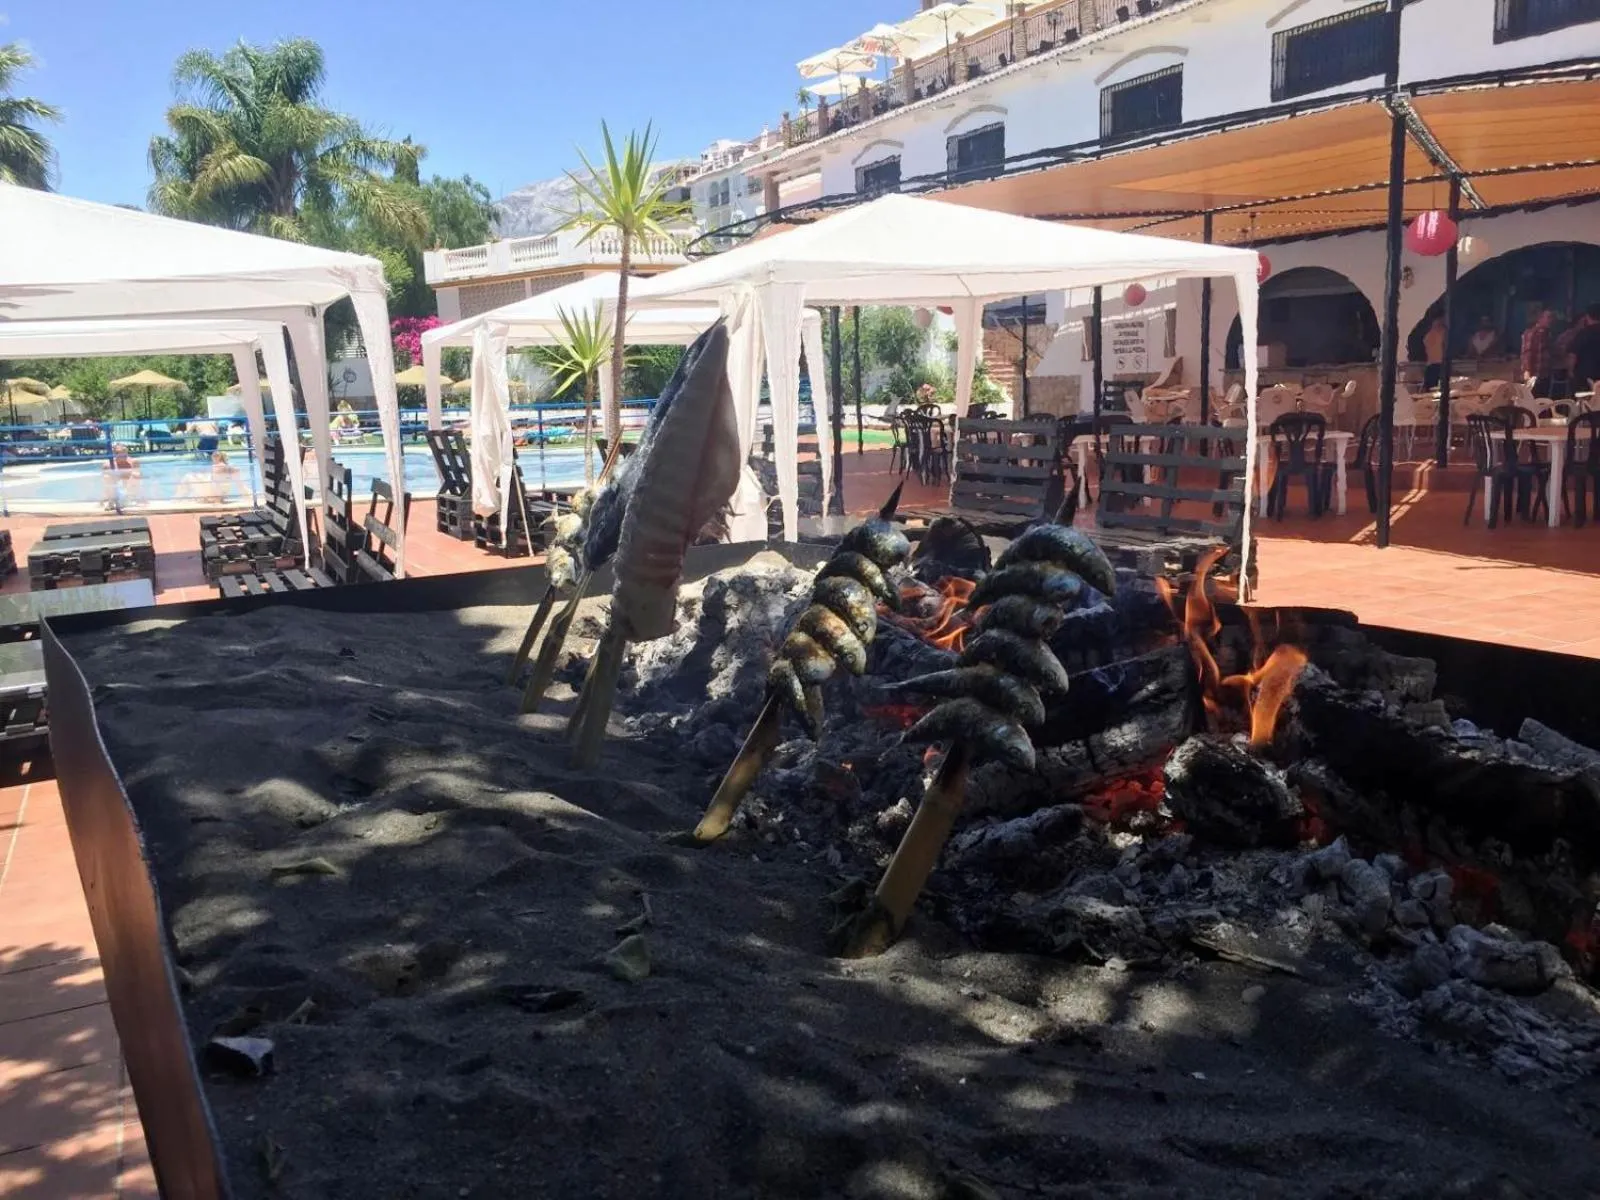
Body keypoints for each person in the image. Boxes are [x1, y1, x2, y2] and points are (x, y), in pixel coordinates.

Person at [1522, 304, 1557, 399]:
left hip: (1545, 373)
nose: (1551, 320)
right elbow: (1528, 352)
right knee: (1533, 399)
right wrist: (1527, 370)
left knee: (1543, 399)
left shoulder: (1547, 333)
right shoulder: (1532, 333)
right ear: (1540, 318)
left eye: (1552, 317)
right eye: (1548, 317)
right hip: (1534, 374)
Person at [1566, 303, 1600, 396]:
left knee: (1584, 401)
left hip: (1584, 375)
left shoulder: (1583, 333)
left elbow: (1573, 354)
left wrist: (1570, 371)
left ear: (1587, 317)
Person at [101, 442, 142, 513]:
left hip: (129, 493)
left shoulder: (133, 462)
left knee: (135, 476)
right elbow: (104, 482)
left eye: (124, 451)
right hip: (115, 493)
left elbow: (138, 476)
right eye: (119, 452)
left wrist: (127, 474)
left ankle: (130, 499)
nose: (122, 454)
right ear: (114, 453)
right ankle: (111, 501)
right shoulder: (107, 464)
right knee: (107, 477)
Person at [1422, 315, 1447, 391]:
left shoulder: (1427, 335)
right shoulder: (1442, 333)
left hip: (1431, 366)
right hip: (1439, 365)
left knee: (1430, 391)